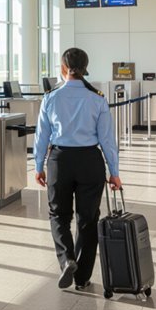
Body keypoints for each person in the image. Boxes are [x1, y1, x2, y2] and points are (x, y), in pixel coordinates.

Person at [33, 48, 122, 291]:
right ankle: (82, 277)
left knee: (58, 214)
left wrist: (38, 166)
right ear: (85, 68)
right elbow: (107, 139)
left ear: (63, 68)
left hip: (60, 161)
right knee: (88, 219)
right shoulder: (98, 98)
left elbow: (42, 136)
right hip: (90, 160)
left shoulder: (51, 98)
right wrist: (114, 171)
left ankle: (66, 259)